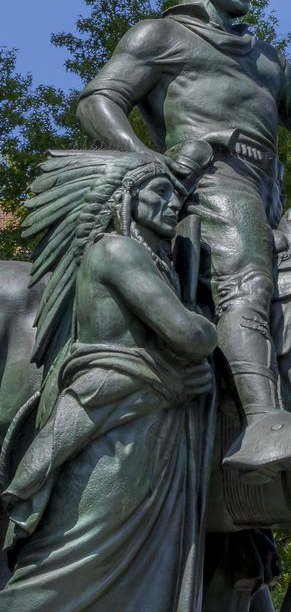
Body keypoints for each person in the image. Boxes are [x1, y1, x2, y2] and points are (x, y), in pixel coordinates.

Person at [74, 0, 291, 483]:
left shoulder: (266, 58)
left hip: (268, 188)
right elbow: (98, 101)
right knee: (246, 278)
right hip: (208, 180)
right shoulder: (160, 35)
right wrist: (147, 161)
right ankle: (264, 418)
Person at [0, 152, 217, 610]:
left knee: (139, 573)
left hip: (150, 418)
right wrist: (212, 322)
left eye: (177, 195)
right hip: (112, 416)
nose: (172, 203)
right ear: (126, 196)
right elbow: (190, 336)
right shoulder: (116, 251)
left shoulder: (157, 264)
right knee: (73, 557)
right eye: (160, 191)